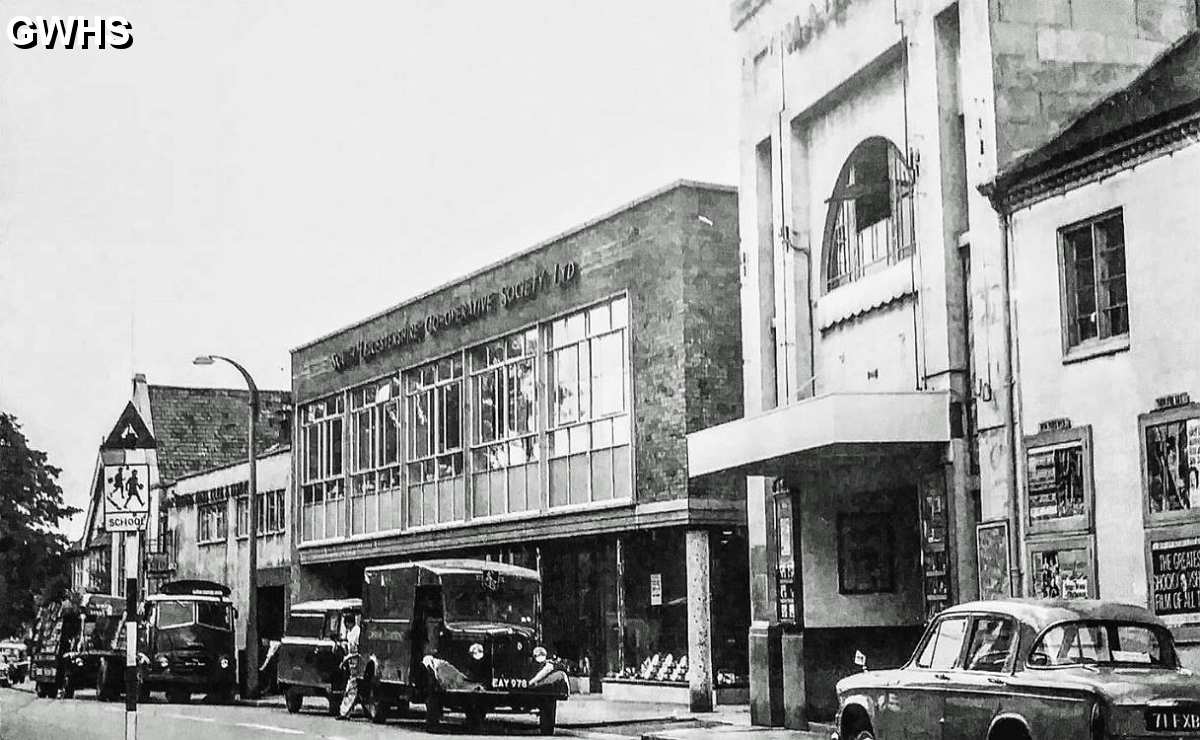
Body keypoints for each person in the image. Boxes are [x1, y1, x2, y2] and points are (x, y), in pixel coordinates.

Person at [337, 613, 361, 720]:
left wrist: (346, 659)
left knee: (350, 689)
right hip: (352, 664)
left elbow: (357, 650)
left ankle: (344, 712)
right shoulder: (350, 633)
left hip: (356, 663)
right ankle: (346, 711)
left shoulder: (357, 632)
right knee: (352, 689)